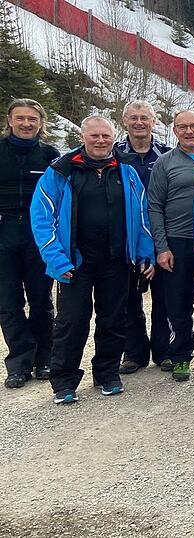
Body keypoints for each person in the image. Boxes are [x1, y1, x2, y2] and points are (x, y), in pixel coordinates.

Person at [31, 115, 155, 404]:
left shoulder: (126, 169)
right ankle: (63, 380)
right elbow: (41, 218)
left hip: (116, 259)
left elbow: (143, 215)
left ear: (114, 137)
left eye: (106, 136)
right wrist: (56, 260)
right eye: (94, 136)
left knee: (113, 319)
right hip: (75, 262)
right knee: (71, 321)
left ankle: (107, 373)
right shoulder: (61, 170)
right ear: (83, 137)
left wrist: (144, 251)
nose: (100, 141)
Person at [147, 110, 194, 382]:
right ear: (175, 131)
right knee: (178, 304)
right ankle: (181, 356)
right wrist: (161, 247)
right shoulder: (165, 163)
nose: (189, 131)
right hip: (178, 242)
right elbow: (154, 205)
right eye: (183, 127)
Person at [1, 99, 58, 388]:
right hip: (4, 231)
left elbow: (61, 197)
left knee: (41, 299)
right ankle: (19, 361)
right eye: (20, 118)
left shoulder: (50, 155)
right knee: (8, 302)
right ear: (9, 121)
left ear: (40, 123)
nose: (26, 124)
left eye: (32, 119)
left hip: (39, 234)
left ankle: (45, 357)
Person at [115, 100, 171, 375]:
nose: (139, 123)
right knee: (127, 298)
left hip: (162, 234)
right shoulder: (113, 156)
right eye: (134, 118)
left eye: (144, 118)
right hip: (125, 236)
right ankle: (133, 352)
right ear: (125, 121)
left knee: (164, 296)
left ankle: (164, 351)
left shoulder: (167, 155)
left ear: (154, 121)